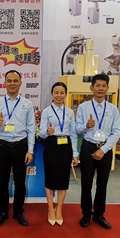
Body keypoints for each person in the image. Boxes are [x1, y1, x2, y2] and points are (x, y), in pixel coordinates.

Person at [0, 70, 35, 227]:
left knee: (20, 183)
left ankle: (18, 212)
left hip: (21, 146)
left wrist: (30, 150)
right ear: (4, 83)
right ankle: (3, 212)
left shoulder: (27, 104)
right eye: (9, 81)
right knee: (2, 183)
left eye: (15, 81)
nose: (12, 83)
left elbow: (31, 127)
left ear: (20, 83)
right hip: (3, 146)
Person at [75, 73, 120, 229]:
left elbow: (116, 132)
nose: (100, 88)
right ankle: (86, 214)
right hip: (88, 147)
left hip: (105, 149)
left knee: (102, 184)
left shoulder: (113, 109)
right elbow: (77, 129)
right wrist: (86, 126)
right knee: (86, 183)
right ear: (91, 87)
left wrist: (103, 150)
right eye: (97, 86)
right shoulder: (83, 107)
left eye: (104, 86)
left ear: (107, 88)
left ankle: (99, 215)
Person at [39, 82, 78, 226]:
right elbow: (41, 133)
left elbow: (73, 134)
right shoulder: (47, 111)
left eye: (62, 93)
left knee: (63, 179)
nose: (59, 95)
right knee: (50, 178)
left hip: (65, 146)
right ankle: (50, 208)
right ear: (52, 94)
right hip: (51, 145)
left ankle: (59, 208)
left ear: (66, 94)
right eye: (56, 92)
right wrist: (47, 131)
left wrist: (75, 153)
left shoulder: (69, 112)